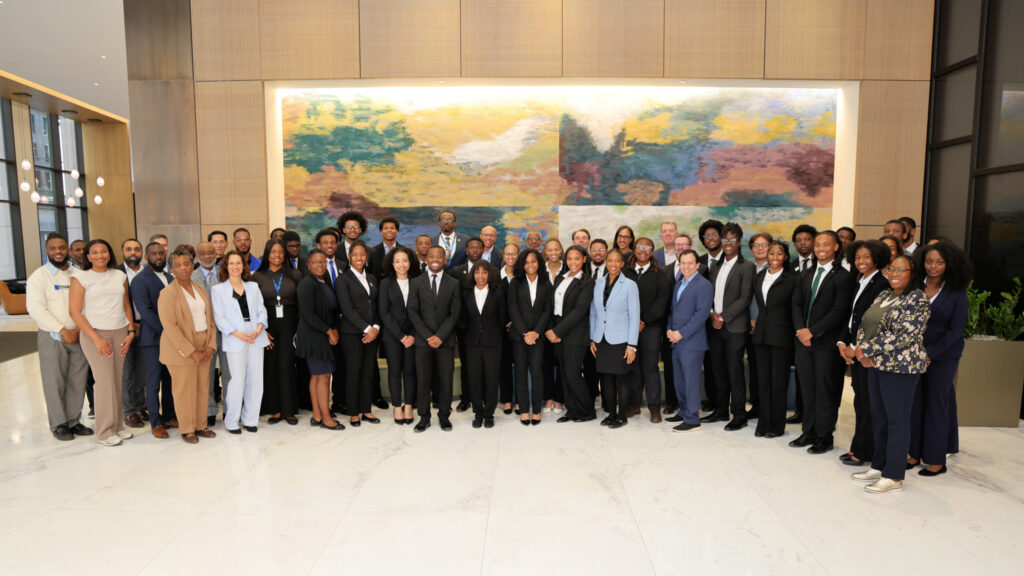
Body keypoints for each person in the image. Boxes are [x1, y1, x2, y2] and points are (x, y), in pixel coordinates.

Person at [850, 255, 930, 493]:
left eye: (901, 270)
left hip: (901, 367)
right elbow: (865, 324)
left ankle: (893, 476)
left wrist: (866, 350)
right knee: (880, 418)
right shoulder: (884, 294)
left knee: (897, 421)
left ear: (913, 273)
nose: (894, 274)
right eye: (892, 269)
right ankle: (879, 465)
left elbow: (904, 334)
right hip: (876, 364)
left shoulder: (918, 298)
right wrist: (862, 351)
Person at [907, 242, 971, 476]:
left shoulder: (956, 293)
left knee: (936, 405)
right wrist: (916, 353)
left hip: (944, 357)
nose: (933, 266)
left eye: (939, 262)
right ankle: (914, 453)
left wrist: (930, 354)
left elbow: (955, 332)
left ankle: (936, 460)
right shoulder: (914, 287)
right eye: (929, 261)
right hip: (912, 355)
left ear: (949, 264)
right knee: (914, 404)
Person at [790, 231, 854, 454]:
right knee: (807, 390)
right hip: (803, 342)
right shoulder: (806, 273)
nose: (821, 248)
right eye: (818, 244)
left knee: (826, 392)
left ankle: (824, 437)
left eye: (826, 244)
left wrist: (813, 332)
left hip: (827, 344)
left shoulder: (844, 277)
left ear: (836, 247)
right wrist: (801, 330)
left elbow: (839, 311)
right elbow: (796, 303)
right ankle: (808, 432)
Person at [68, 239, 136, 447]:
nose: (100, 255)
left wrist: (130, 330)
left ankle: (118, 426)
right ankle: (104, 431)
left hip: (120, 332)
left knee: (116, 380)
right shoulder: (80, 277)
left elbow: (126, 306)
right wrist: (96, 339)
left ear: (109, 254)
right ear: (88, 256)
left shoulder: (119, 276)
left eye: (103, 251)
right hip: (95, 334)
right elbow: (75, 312)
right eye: (95, 252)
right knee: (104, 382)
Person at [26, 233, 93, 441]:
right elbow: (36, 309)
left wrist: (79, 329)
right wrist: (62, 330)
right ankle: (59, 424)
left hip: (79, 335)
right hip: (53, 336)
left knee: (77, 380)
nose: (58, 252)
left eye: (62, 248)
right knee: (54, 381)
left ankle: (73, 420)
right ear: (46, 250)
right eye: (53, 248)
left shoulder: (78, 274)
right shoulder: (39, 277)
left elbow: (87, 303)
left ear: (68, 251)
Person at [836, 240, 891, 465]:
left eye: (866, 257)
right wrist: (842, 342)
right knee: (861, 402)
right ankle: (860, 448)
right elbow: (852, 316)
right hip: (856, 349)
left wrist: (855, 347)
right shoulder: (860, 280)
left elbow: (874, 323)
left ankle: (863, 452)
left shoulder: (882, 284)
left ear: (877, 258)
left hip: (868, 353)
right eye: (858, 257)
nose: (861, 261)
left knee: (868, 404)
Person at [157, 247, 217, 444]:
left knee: (202, 388)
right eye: (178, 265)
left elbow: (210, 319)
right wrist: (192, 352)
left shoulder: (199, 289)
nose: (183, 268)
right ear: (172, 270)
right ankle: (187, 429)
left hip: (203, 344)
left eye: (186, 264)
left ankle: (201, 425)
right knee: (184, 391)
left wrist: (210, 346)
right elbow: (170, 327)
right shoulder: (167, 293)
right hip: (180, 350)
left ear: (192, 266)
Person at [704, 223, 756, 430]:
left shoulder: (747, 267)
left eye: (732, 239)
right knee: (718, 371)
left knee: (735, 372)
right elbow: (709, 294)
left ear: (739, 242)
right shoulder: (715, 266)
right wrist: (711, 314)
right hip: (715, 327)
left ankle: (739, 415)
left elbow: (745, 298)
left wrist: (723, 317)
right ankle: (721, 410)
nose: (727, 243)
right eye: (724, 239)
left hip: (734, 327)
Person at [212, 251, 269, 434]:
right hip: (234, 337)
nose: (235, 266)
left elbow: (262, 310)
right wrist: (237, 334)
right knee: (236, 380)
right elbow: (219, 318)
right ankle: (231, 421)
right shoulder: (218, 290)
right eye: (231, 263)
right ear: (226, 266)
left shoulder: (253, 286)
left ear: (244, 266)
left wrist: (259, 328)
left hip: (255, 335)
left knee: (256, 379)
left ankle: (250, 419)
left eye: (238, 263)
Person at [408, 245, 462, 432]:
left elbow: (455, 313)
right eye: (431, 256)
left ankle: (444, 416)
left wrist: (440, 336)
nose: (435, 259)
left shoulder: (453, 283)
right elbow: (412, 311)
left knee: (446, 380)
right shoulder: (416, 282)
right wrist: (428, 336)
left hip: (445, 341)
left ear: (445, 260)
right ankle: (424, 417)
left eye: (439, 256)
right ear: (426, 259)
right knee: (423, 380)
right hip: (423, 341)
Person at [252, 239, 302, 426]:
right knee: (271, 366)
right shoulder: (257, 276)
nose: (277, 255)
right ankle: (276, 409)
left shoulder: (295, 274)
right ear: (267, 254)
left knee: (287, 365)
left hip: (290, 323)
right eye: (273, 252)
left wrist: (299, 328)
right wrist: (262, 329)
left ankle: (289, 410)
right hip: (268, 324)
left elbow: (301, 303)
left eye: (280, 252)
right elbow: (254, 306)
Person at [750, 241, 797, 437]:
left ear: (785, 256)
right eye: (771, 253)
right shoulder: (759, 276)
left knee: (778, 383)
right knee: (763, 382)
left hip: (781, 336)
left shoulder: (792, 279)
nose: (775, 257)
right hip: (761, 335)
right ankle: (763, 423)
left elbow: (794, 309)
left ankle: (776, 426)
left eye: (779, 254)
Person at [131, 242, 176, 438]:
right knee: (153, 382)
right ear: (146, 257)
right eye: (154, 254)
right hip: (153, 339)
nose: (158, 256)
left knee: (169, 379)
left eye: (161, 253)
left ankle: (169, 416)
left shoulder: (170, 277)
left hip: (171, 338)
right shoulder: (140, 280)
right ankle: (156, 422)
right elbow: (145, 311)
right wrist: (167, 330)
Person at [590, 249, 640, 429]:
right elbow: (593, 313)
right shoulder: (598, 283)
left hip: (621, 339)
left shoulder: (630, 285)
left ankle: (621, 416)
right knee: (606, 379)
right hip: (601, 339)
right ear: (606, 262)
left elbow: (634, 316)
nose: (613, 264)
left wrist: (632, 345)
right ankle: (611, 414)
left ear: (622, 263)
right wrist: (593, 338)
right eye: (610, 260)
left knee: (621, 379)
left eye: (617, 260)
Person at [295, 250, 344, 430]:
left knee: (317, 376)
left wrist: (333, 328)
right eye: (315, 262)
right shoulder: (306, 284)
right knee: (323, 376)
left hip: (323, 333)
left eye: (322, 262)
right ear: (309, 265)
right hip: (314, 336)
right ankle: (326, 418)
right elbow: (308, 314)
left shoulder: (325, 281)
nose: (320, 265)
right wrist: (329, 331)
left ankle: (316, 414)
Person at [665, 250, 713, 432]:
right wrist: (670, 329)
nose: (686, 266)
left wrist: (681, 333)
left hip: (692, 342)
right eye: (683, 263)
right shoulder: (679, 284)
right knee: (680, 380)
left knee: (691, 381)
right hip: (676, 340)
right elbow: (673, 311)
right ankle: (684, 411)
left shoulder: (704, 285)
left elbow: (701, 315)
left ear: (697, 265)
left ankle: (692, 419)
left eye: (690, 263)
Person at [624, 237, 671, 422]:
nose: (643, 250)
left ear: (652, 251)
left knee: (650, 369)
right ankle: (634, 406)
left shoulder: (660, 275)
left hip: (651, 328)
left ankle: (654, 409)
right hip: (628, 328)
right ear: (634, 249)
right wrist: (632, 322)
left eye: (647, 247)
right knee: (633, 369)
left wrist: (643, 321)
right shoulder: (625, 273)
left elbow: (662, 303)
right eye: (639, 247)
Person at [546, 245, 594, 423]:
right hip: (559, 332)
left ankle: (587, 411)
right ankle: (573, 410)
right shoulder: (561, 277)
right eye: (570, 258)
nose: (573, 262)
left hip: (576, 333)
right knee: (565, 375)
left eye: (577, 258)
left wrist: (557, 331)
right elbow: (553, 306)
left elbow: (579, 310)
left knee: (573, 374)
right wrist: (552, 330)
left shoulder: (587, 282)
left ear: (584, 260)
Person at [335, 242, 381, 427]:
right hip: (352, 333)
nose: (359, 258)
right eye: (355, 255)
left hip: (372, 333)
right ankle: (354, 412)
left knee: (368, 371)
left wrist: (376, 327)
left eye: (362, 254)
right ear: (349, 257)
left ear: (366, 257)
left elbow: (376, 304)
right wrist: (367, 329)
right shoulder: (343, 279)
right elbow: (347, 308)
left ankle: (366, 410)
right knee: (353, 372)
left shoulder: (372, 278)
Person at [508, 248, 553, 425]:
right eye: (526, 262)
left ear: (539, 263)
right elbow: (513, 309)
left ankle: (537, 409)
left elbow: (548, 309)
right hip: (519, 336)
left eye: (533, 261)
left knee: (536, 372)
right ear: (522, 265)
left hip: (538, 337)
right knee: (520, 372)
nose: (530, 265)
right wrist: (524, 333)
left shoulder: (546, 283)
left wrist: (536, 332)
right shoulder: (515, 282)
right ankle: (525, 409)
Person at [460, 261, 506, 428]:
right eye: (477, 272)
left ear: (489, 275)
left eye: (484, 272)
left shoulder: (498, 293)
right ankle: (478, 413)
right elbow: (462, 318)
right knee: (474, 380)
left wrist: (493, 334)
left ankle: (489, 414)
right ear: (472, 274)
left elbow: (502, 318)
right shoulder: (465, 293)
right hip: (472, 343)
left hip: (492, 342)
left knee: (491, 379)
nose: (480, 276)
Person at [380, 247, 420, 424]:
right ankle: (397, 406)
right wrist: (401, 336)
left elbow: (421, 311)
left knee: (410, 371)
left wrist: (412, 335)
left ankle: (409, 405)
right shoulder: (385, 284)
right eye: (397, 261)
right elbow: (384, 312)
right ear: (392, 263)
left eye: (404, 260)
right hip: (392, 336)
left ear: (410, 262)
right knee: (395, 371)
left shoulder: (417, 282)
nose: (401, 264)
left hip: (413, 335)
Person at [192, 241, 230, 426]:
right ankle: (209, 411)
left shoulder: (226, 273)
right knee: (206, 375)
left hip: (227, 332)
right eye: (203, 253)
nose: (207, 256)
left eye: (210, 252)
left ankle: (230, 410)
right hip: (204, 333)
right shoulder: (192, 277)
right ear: (197, 256)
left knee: (229, 373)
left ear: (216, 254)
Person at [448, 236, 485, 413]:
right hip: (464, 327)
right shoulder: (457, 271)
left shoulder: (490, 270)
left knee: (483, 363)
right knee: (466, 363)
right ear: (467, 250)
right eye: (472, 247)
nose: (475, 250)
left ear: (483, 250)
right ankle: (466, 398)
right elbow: (454, 299)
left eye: (478, 247)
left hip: (484, 327)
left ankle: (483, 396)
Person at [661, 233, 694, 415]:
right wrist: (668, 328)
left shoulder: (701, 270)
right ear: (673, 248)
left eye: (685, 244)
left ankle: (689, 405)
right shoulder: (665, 270)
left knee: (689, 369)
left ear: (691, 246)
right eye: (678, 245)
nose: (681, 247)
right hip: (669, 328)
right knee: (670, 366)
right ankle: (672, 401)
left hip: (690, 330)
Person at [116, 238, 147, 428]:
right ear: (122, 253)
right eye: (129, 249)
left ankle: (140, 406)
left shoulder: (147, 272)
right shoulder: (115, 273)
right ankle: (128, 411)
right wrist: (130, 324)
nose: (133, 252)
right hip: (123, 328)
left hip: (146, 327)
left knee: (142, 371)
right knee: (126, 372)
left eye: (136, 249)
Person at [745, 232, 772, 420]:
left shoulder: (777, 270)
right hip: (749, 327)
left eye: (764, 245)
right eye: (756, 245)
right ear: (751, 250)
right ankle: (756, 405)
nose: (760, 248)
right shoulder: (748, 270)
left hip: (770, 329)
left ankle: (768, 407)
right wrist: (748, 318)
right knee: (754, 369)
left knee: (768, 370)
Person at [540, 238, 566, 415]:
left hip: (564, 323)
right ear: (545, 252)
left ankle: (559, 399)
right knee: (546, 363)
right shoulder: (540, 270)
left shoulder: (569, 268)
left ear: (561, 250)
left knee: (564, 363)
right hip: (544, 323)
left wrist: (559, 329)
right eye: (550, 250)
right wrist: (548, 328)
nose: (553, 252)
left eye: (556, 249)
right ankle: (548, 397)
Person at [498, 243, 519, 414]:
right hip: (501, 328)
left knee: (520, 364)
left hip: (521, 327)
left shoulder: (524, 276)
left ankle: (519, 400)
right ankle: (506, 400)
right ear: (503, 256)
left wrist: (516, 322)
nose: (510, 257)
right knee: (504, 364)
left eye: (514, 254)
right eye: (507, 254)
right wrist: (506, 322)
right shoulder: (496, 277)